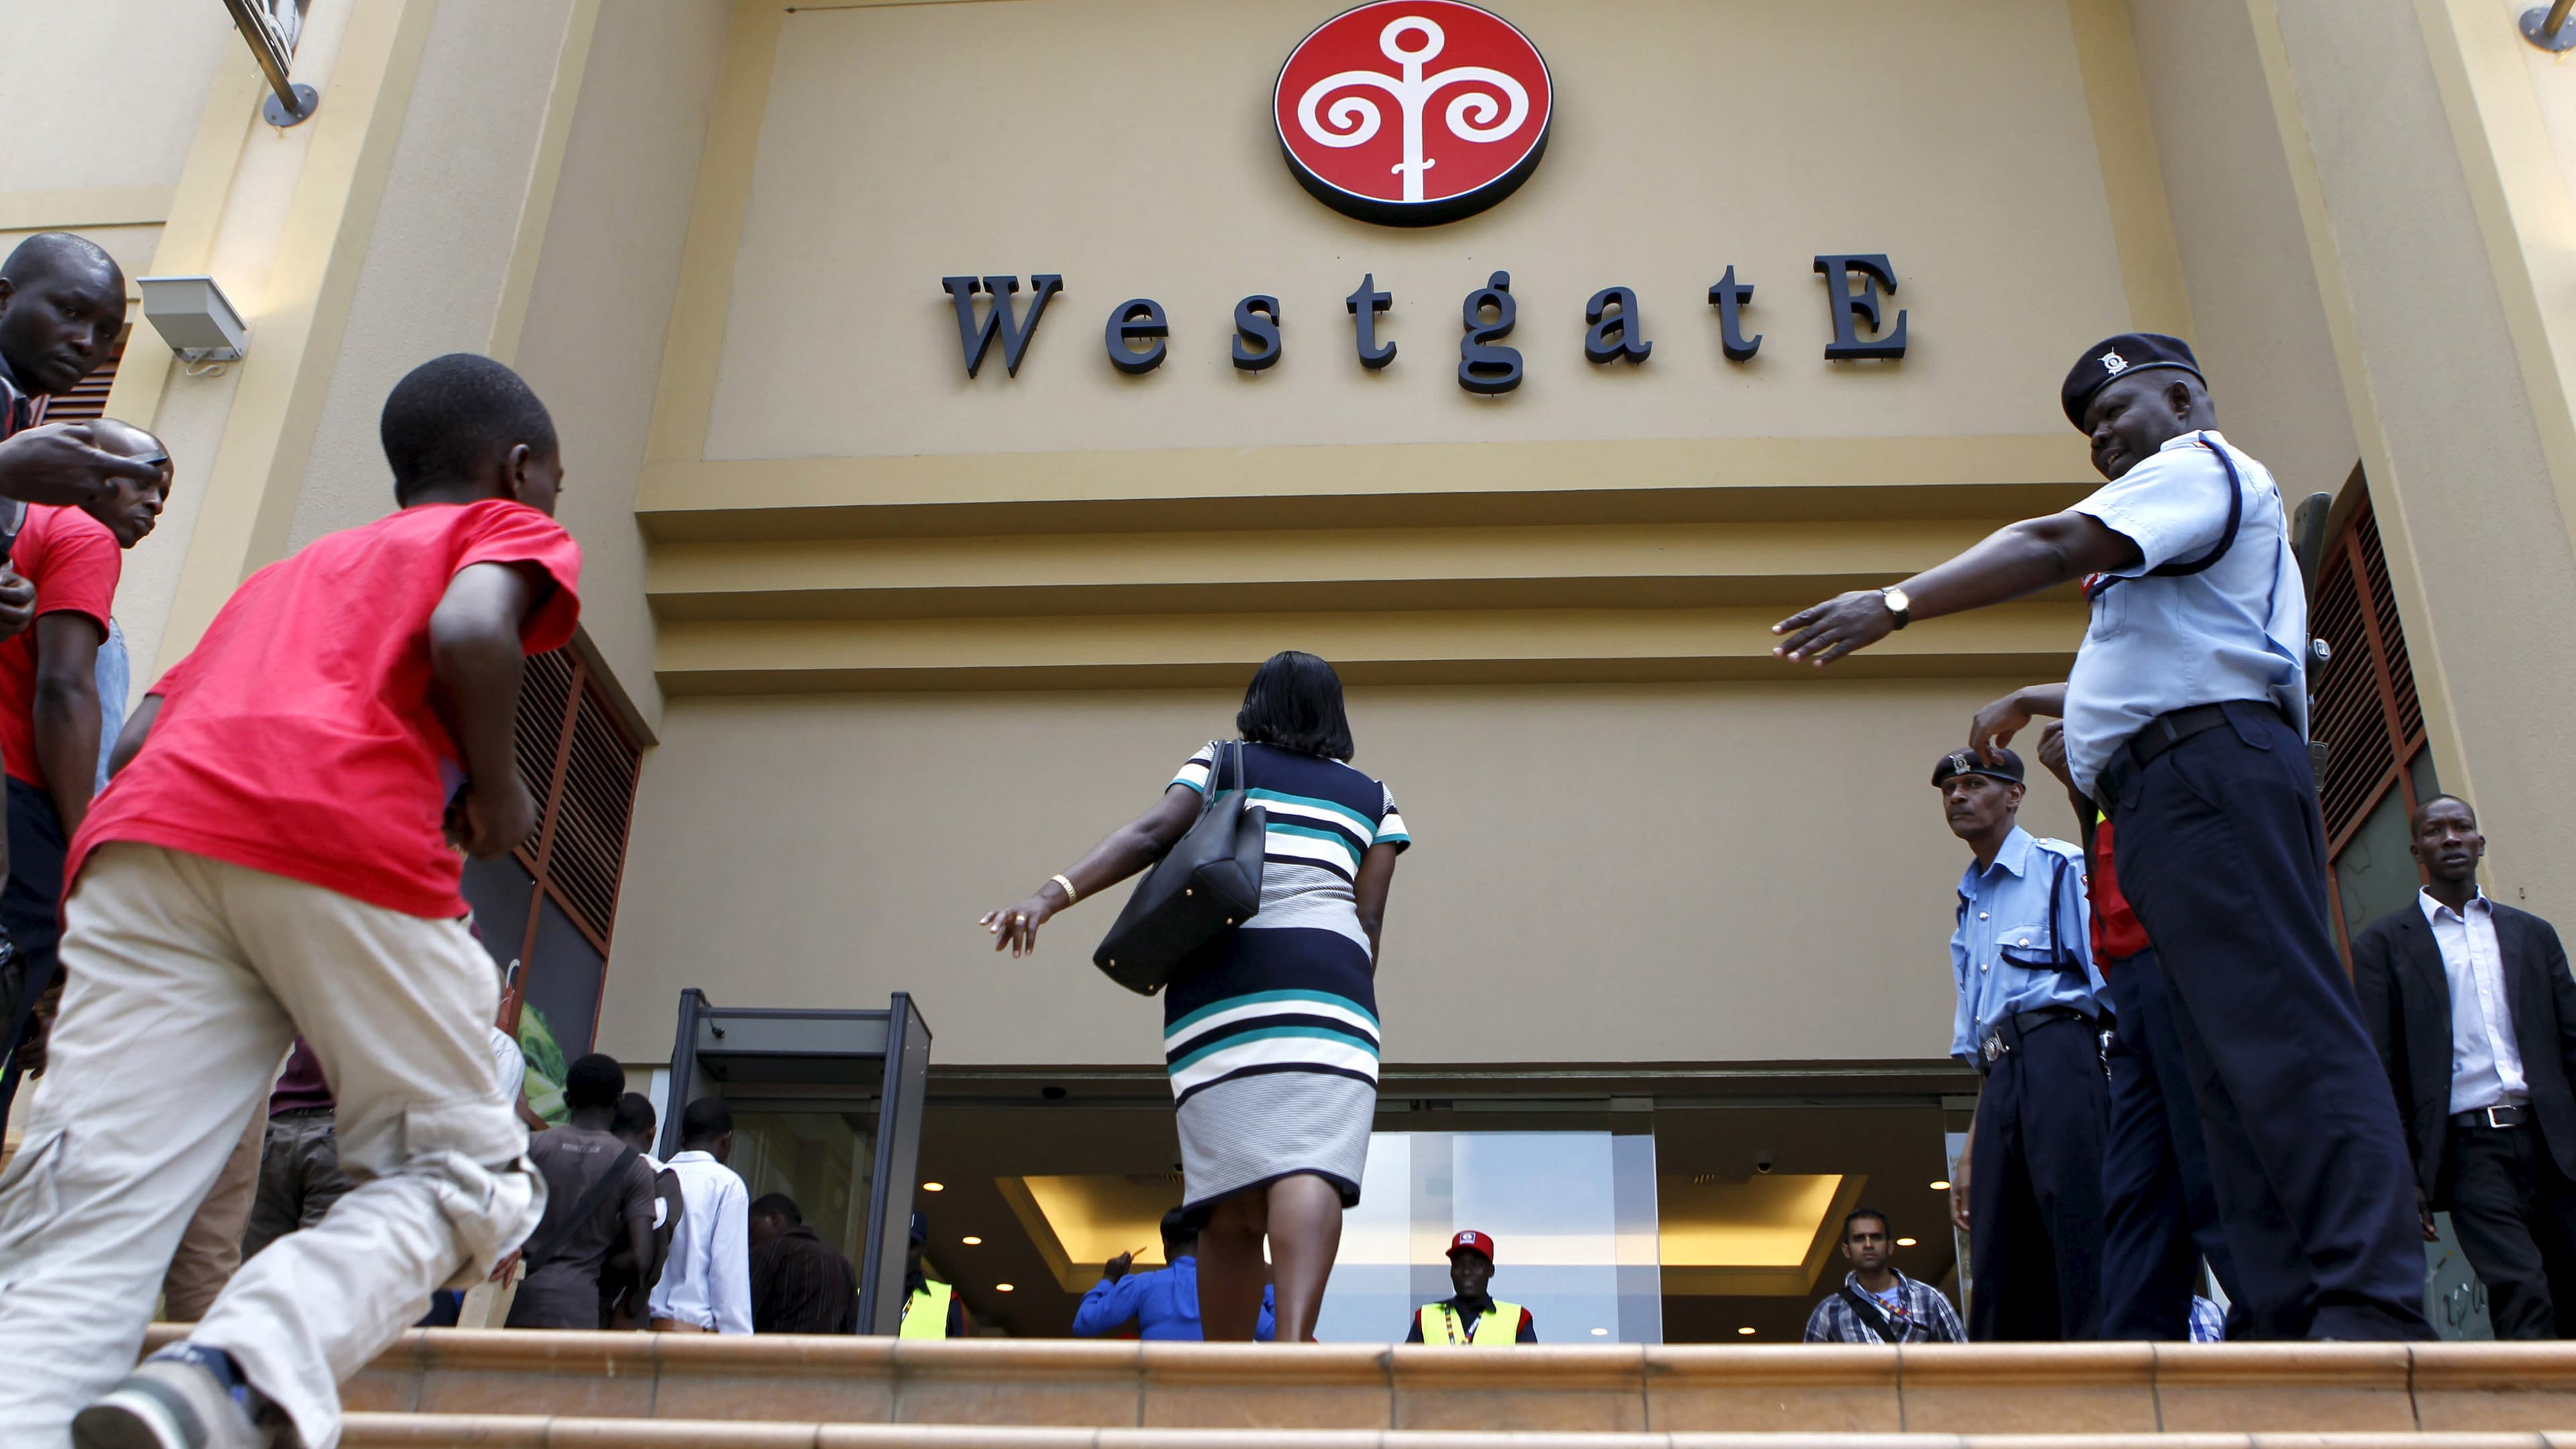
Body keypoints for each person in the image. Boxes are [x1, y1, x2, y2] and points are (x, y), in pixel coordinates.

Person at [1773, 332, 2430, 1341]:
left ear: (2181, 398)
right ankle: (2282, 1316)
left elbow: (2050, 546)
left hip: (2213, 773)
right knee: (2219, 1078)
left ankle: (2371, 1308)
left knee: (2288, 1042)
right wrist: (2050, 702)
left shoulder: (2200, 470)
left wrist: (1897, 603)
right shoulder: (2165, 537)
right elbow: (2152, 668)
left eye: (2112, 414)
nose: (2100, 442)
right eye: (2087, 431)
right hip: (2166, 790)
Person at [0, 352, 584, 1448]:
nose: (556, 497)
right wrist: (501, 797)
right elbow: (470, 633)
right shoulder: (500, 533)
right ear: (517, 468)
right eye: (557, 475)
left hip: (145, 848)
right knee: (464, 1176)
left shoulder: (287, 574)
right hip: (341, 831)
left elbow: (137, 737)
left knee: (81, 1227)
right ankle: (236, 1374)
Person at [979, 650, 1407, 1343]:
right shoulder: (1375, 797)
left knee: (1227, 1198)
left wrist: (1048, 895)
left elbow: (1150, 835)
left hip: (1222, 987)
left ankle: (1225, 1378)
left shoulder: (1221, 762)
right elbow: (1371, 920)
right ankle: (1294, 1343)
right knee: (1312, 1160)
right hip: (1333, 992)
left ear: (1257, 703)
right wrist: (1343, 1002)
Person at [1974, 696, 2252, 1341]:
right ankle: (2123, 1360)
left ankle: (2274, 1330)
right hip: (2100, 1011)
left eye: (1976, 783)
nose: (1960, 797)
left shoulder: (2069, 853)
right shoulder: (2095, 820)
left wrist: (2022, 701)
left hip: (2148, 995)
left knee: (2201, 1176)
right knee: (2126, 1200)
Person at [2354, 795, 2576, 1339]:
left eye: (2462, 828)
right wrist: (2405, 1175)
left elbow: (2572, 1041)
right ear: (2417, 851)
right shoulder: (2383, 946)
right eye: (2435, 831)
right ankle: (2534, 1419)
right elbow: (2382, 1068)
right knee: (2522, 1289)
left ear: (2480, 843)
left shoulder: (2532, 934)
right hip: (2470, 1151)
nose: (2450, 838)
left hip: (2554, 1144)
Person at [1932, 745, 2107, 1340]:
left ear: (2014, 795)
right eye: (1949, 790)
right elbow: (1985, 1044)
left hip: (2064, 1055)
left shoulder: (2061, 869)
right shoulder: (1970, 902)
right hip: (2003, 1077)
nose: (1958, 797)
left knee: (2078, 1221)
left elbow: (2113, 993)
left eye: (1975, 784)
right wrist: (1972, 1148)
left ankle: (2103, 1379)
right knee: (1998, 1243)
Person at [506, 1055, 657, 1331]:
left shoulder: (528, 1147)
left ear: (566, 1099)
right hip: (578, 1310)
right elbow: (641, 1258)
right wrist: (590, 1265)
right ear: (618, 1103)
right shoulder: (634, 1168)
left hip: (513, 1302)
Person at [1071, 1207, 1276, 1341]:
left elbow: (1084, 1324)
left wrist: (1109, 1279)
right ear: (1209, 1245)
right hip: (1215, 1398)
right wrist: (1268, 1287)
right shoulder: (1233, 1291)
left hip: (1156, 1399)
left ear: (1167, 1247)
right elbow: (1277, 1338)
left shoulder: (1141, 1285)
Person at [239, 1040, 356, 1265]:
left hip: (279, 1127)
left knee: (258, 1272)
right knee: (319, 1275)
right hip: (338, 1134)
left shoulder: (321, 1005)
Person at [649, 1095, 751, 1334]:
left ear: (682, 1138)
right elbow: (728, 1274)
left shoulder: (654, 1176)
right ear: (726, 1142)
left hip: (640, 1332)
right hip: (691, 1337)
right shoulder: (726, 1184)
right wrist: (739, 1343)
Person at [1803, 1208, 1966, 1344]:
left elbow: (1966, 1361)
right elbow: (1809, 1375)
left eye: (1876, 1237)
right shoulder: (1828, 1313)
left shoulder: (1929, 1298)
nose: (1868, 1245)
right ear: (1847, 1250)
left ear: (1889, 1247)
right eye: (1859, 1239)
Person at [602, 1091, 680, 1330]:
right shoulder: (661, 1178)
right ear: (652, 1133)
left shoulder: (589, 1160)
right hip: (622, 1312)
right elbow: (650, 1256)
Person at [747, 1192, 858, 1334]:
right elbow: (849, 1328)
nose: (750, 1239)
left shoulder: (769, 1251)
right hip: (825, 1355)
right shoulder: (842, 1264)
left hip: (772, 1353)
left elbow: (743, 1313)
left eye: (752, 1229)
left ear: (775, 1219)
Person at [1404, 1229, 1534, 1344]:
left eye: (1476, 1265)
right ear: (1451, 1271)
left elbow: (1535, 1371)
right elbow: (1404, 1370)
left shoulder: (1518, 1319)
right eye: (1459, 1265)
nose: (1466, 1272)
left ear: (1491, 1270)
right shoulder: (1425, 1317)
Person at [900, 1212, 969, 1339]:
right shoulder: (864, 1296)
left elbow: (959, 1357)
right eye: (899, 1242)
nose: (904, 1251)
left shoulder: (948, 1299)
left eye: (911, 1244)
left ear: (924, 1248)